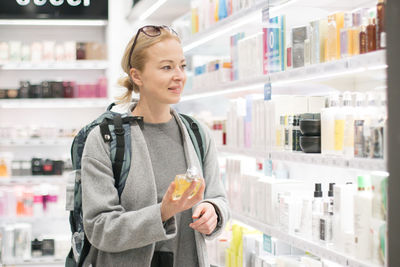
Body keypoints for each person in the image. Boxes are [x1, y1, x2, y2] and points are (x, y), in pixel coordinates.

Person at [81, 25, 230, 267]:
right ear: (137, 75)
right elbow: (99, 228)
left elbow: (218, 198)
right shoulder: (105, 139)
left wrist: (213, 211)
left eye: (182, 65)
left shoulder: (197, 133)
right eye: (166, 67)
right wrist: (163, 212)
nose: (179, 75)